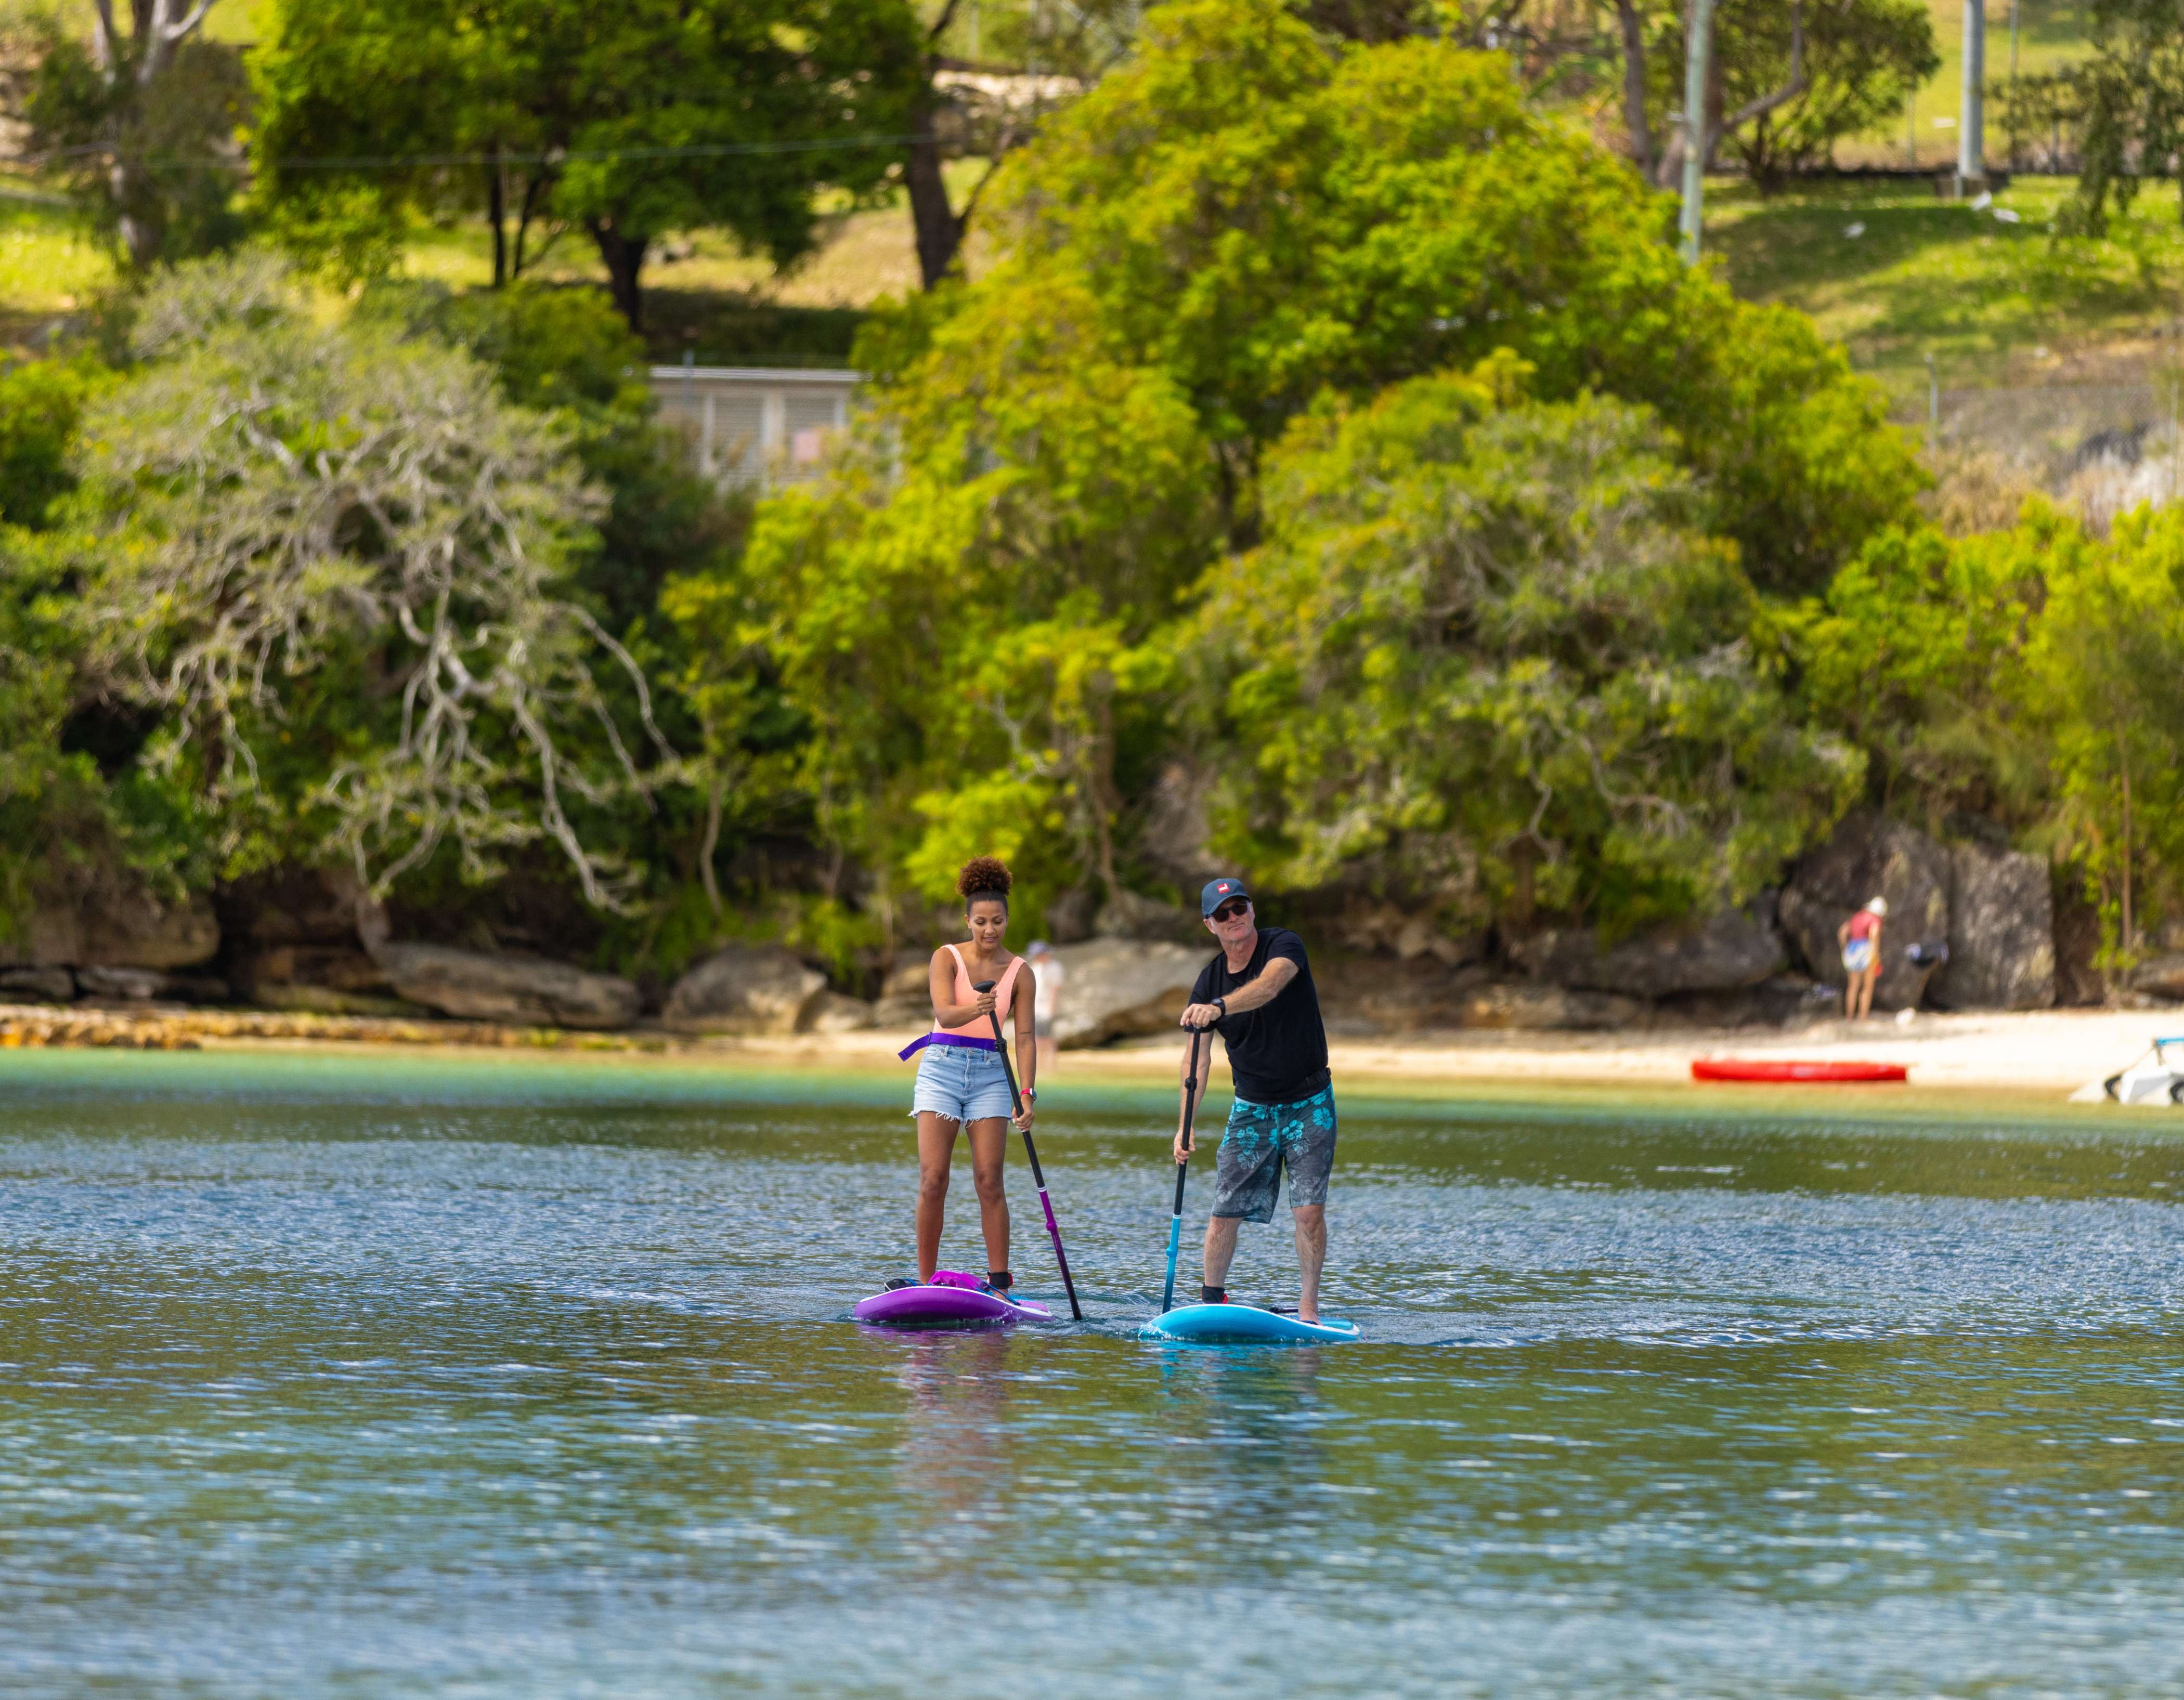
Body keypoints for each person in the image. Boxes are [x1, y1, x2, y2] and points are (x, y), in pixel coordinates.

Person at [1172, 877, 1336, 1323]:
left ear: (1252, 910)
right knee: (1224, 1211)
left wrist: (1220, 1008)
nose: (1234, 918)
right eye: (1223, 914)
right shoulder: (1208, 980)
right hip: (1252, 1108)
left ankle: (1308, 1309)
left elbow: (1270, 986)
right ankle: (1212, 1302)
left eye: (1239, 907)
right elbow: (1197, 1063)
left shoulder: (1284, 944)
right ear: (1210, 925)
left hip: (1309, 1102)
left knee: (1308, 1212)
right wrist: (1185, 1126)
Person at [895, 857, 1037, 1289]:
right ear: (967, 920)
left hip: (994, 1076)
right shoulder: (947, 957)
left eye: (997, 921)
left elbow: (1027, 1037)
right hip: (941, 1068)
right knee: (933, 1178)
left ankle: (999, 1282)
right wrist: (976, 1007)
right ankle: (924, 1281)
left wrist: (1027, 1093)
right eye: (980, 922)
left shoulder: (1021, 973)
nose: (989, 930)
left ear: (1008, 920)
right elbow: (943, 1012)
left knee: (989, 1179)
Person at [1838, 895, 1888, 1021]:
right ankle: (1863, 1017)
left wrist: (1845, 948)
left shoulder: (1857, 917)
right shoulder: (1875, 919)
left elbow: (1843, 932)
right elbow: (1874, 934)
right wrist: (1875, 954)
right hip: (1867, 950)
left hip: (1852, 950)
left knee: (1853, 986)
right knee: (1867, 987)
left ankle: (1849, 1017)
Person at [1028, 939, 1064, 1075]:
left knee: (1048, 1039)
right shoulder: (1035, 967)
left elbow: (1055, 989)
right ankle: (1039, 1067)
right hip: (1035, 1008)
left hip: (1047, 1008)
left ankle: (1050, 1067)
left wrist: (1051, 1009)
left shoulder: (1054, 967)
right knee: (1036, 1038)